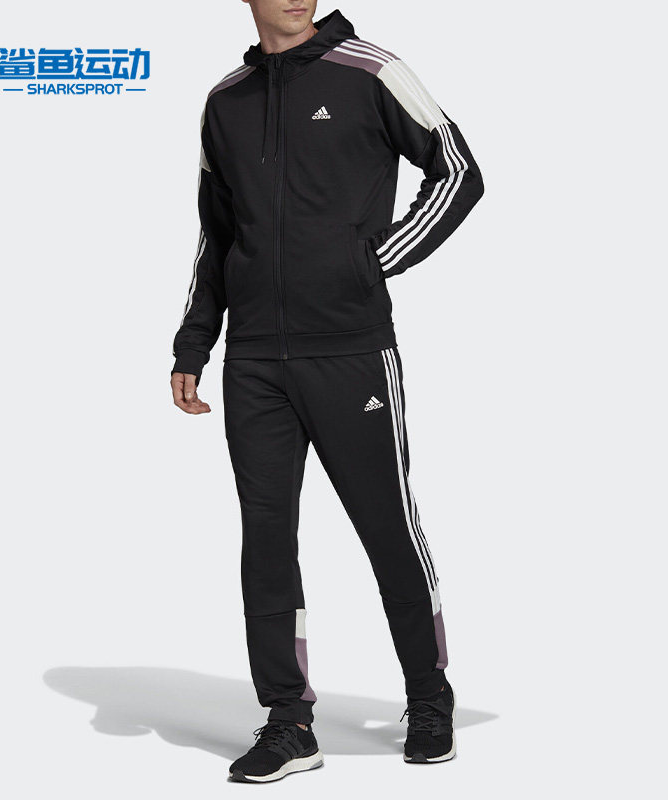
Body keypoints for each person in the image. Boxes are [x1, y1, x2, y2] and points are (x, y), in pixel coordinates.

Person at [171, 1, 484, 783]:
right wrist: (194, 341)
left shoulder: (371, 71)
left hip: (350, 350)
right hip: (254, 361)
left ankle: (429, 697)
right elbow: (217, 232)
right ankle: (288, 721)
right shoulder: (225, 100)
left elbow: (458, 170)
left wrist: (374, 260)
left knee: (387, 525)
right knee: (266, 541)